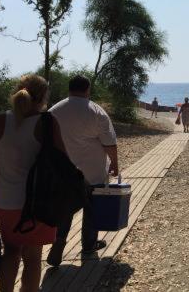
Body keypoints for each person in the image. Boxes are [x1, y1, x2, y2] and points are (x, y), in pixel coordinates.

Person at [0, 74, 67, 292]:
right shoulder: (47, 122)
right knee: (33, 258)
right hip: (38, 204)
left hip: (6, 202)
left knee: (11, 252)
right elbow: (62, 161)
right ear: (43, 96)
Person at [46, 75, 118, 267]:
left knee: (65, 209)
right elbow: (109, 143)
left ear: (69, 89)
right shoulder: (96, 111)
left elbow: (46, 143)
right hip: (93, 172)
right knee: (91, 209)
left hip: (64, 174)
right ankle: (88, 245)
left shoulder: (54, 111)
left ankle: (59, 242)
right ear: (88, 89)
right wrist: (115, 163)